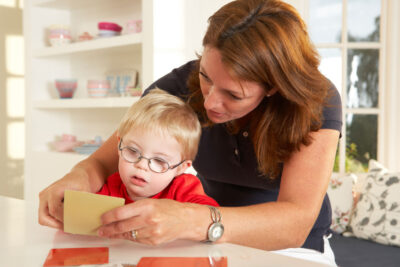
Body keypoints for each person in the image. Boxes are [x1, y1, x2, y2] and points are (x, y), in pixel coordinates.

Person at [39, 0, 342, 264]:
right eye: (205, 76)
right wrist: (75, 177)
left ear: (273, 87)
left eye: (233, 95)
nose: (210, 101)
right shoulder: (177, 87)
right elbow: (104, 161)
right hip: (202, 241)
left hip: (292, 251)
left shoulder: (315, 101)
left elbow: (295, 222)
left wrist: (189, 220)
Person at [96, 89, 219, 225]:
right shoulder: (112, 185)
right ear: (119, 144)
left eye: (159, 160)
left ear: (180, 168)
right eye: (132, 151)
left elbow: (212, 217)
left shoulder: (183, 188)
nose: (141, 165)